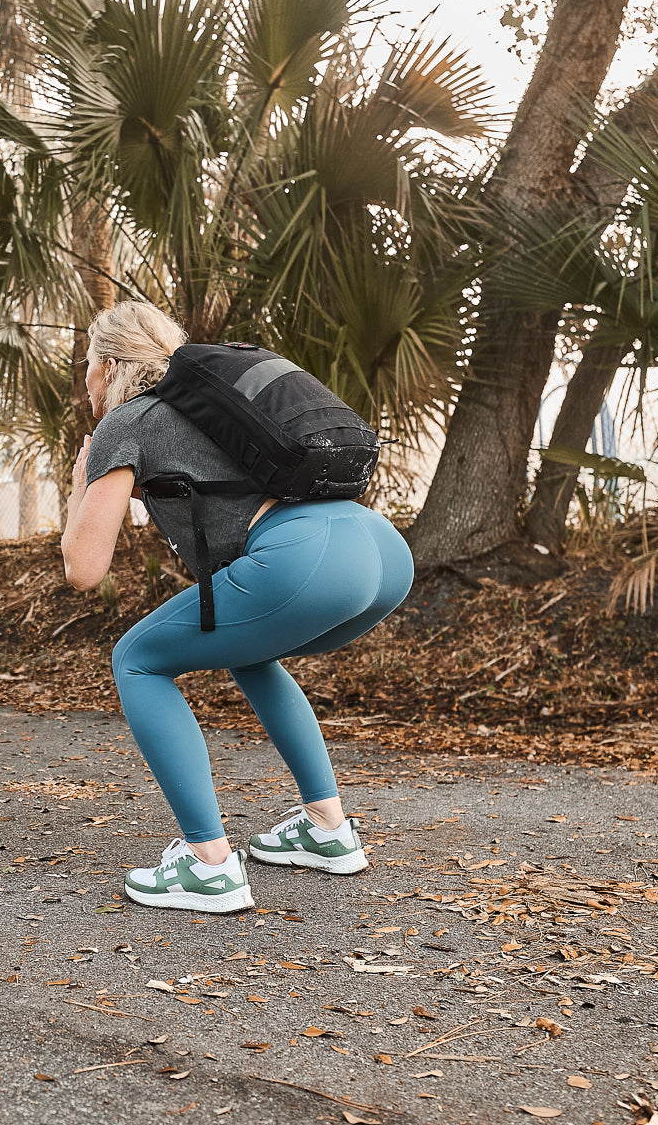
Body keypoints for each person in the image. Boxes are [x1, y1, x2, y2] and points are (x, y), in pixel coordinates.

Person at [61, 303, 414, 913]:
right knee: (250, 654)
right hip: (378, 549)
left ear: (109, 365)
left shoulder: (127, 422)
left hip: (307, 559)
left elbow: (83, 570)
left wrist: (79, 481)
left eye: (87, 366)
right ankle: (328, 830)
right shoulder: (211, 409)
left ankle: (208, 865)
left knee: (136, 660)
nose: (86, 379)